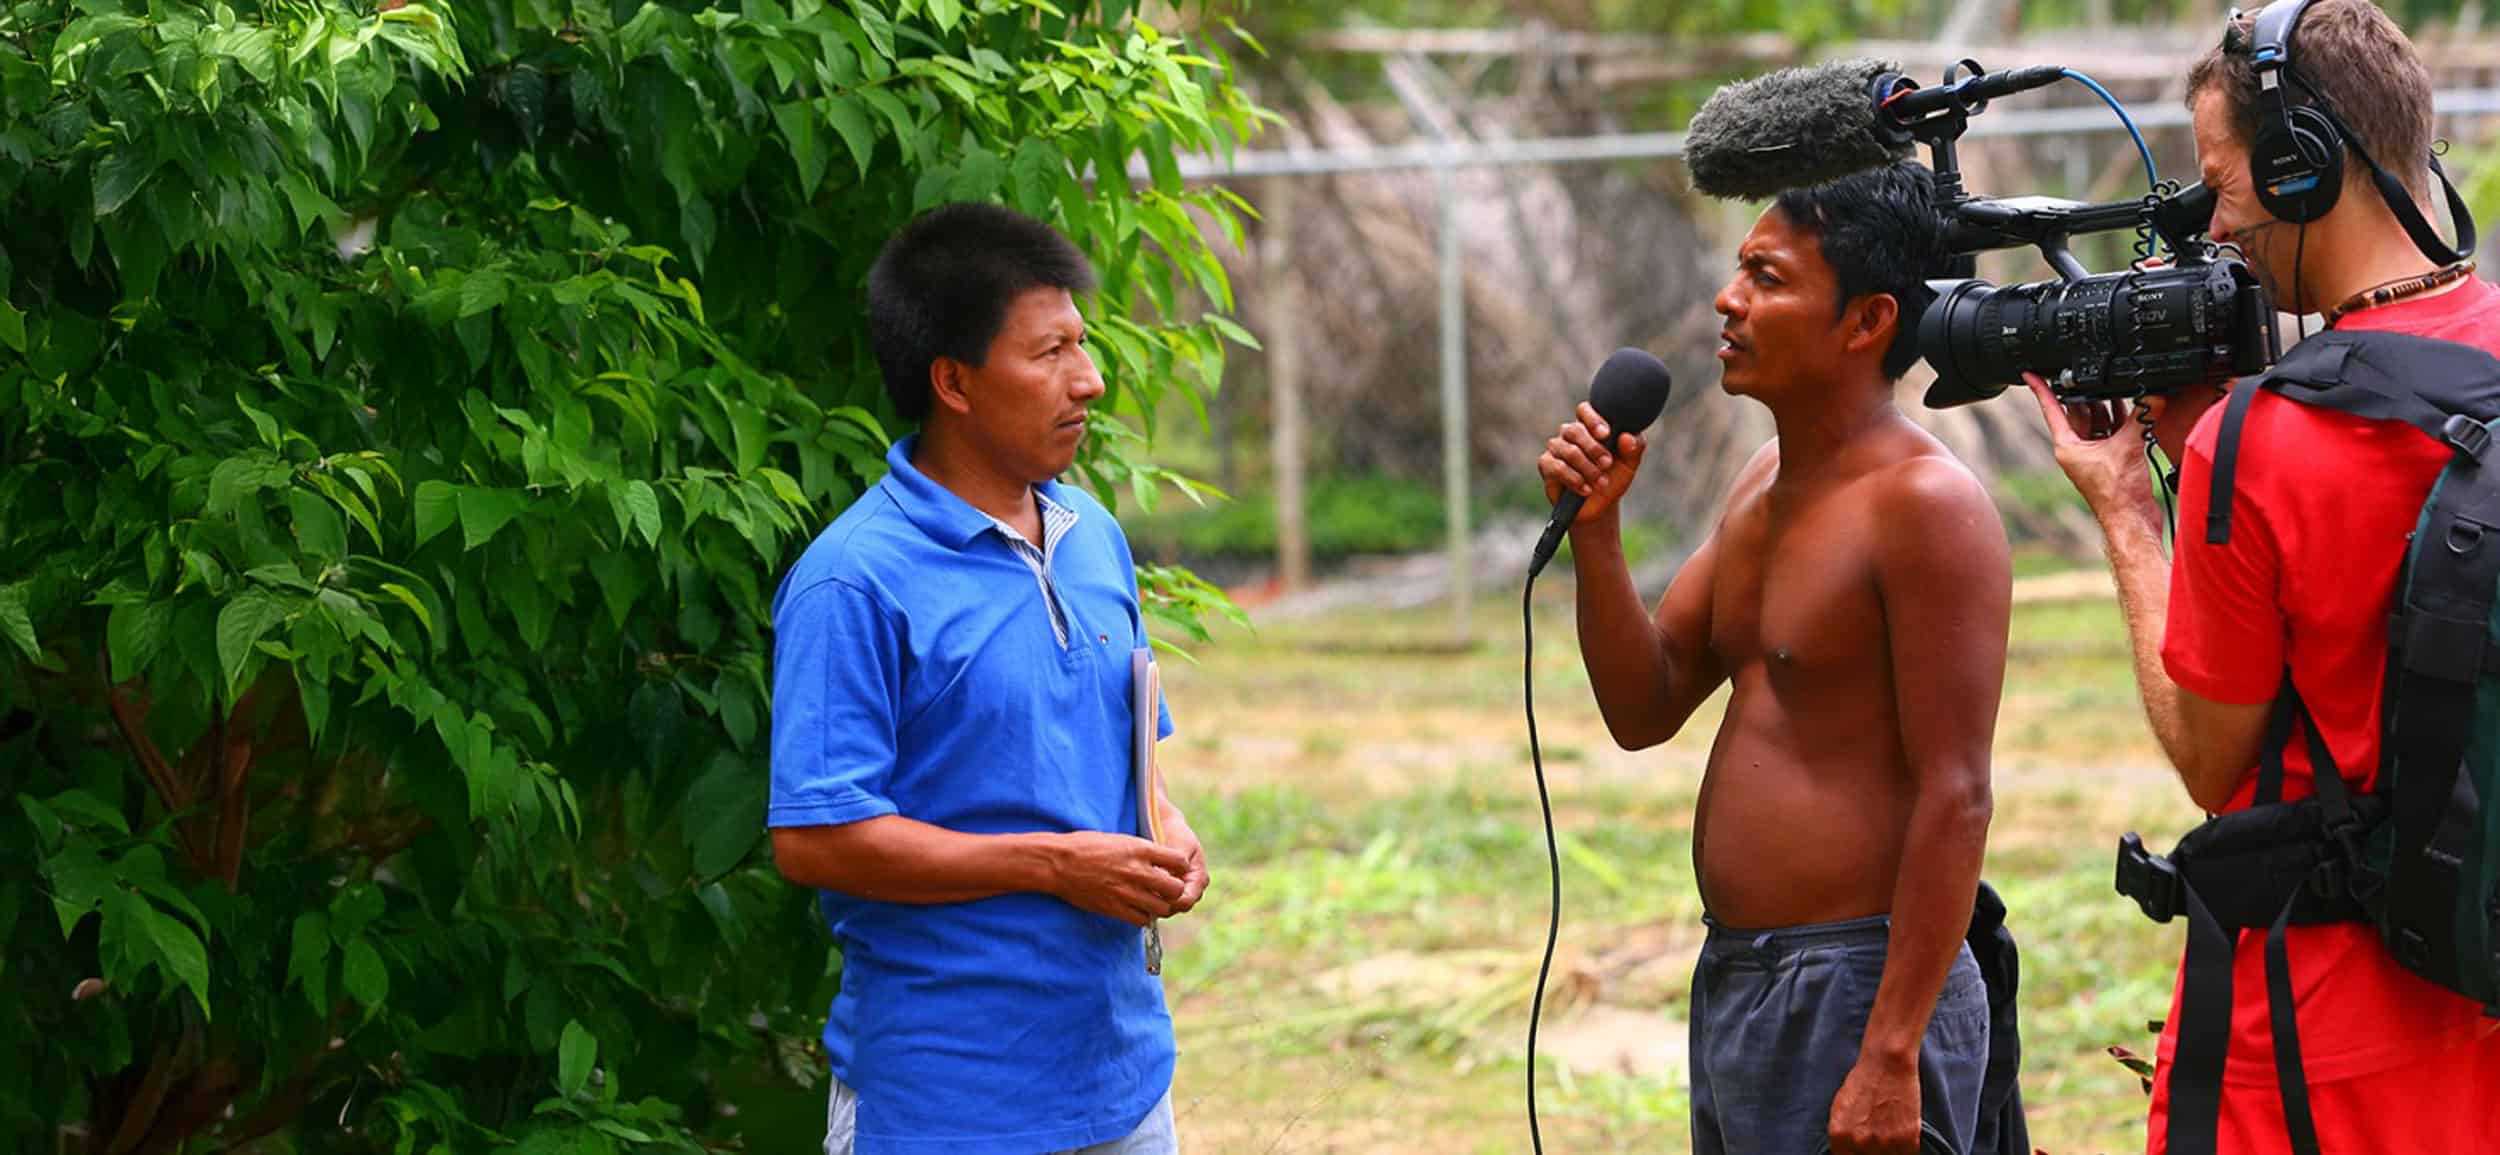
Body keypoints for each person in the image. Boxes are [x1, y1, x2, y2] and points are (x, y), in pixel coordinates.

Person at [2027, 1, 2500, 1151]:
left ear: (2302, 169)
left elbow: (2207, 754)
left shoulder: (2262, 438)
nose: (2214, 223)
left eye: (2224, 183)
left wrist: (2131, 507)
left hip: (2314, 1036)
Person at [1538, 161, 2010, 1155]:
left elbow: (1956, 793)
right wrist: (1596, 534)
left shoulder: (1924, 508)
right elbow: (1646, 703)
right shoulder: (1762, 482)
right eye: (1739, 270)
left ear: (1865, 322)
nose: (1728, 297)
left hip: (1857, 989)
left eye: (1768, 276)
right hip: (1739, 981)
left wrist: (1890, 1052)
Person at [765, 202, 1210, 1155]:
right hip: (948, 1104)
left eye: (1082, 346)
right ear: (954, 382)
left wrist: (1164, 828)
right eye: (1049, 353)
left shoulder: (1094, 537)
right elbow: (814, 839)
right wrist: (1050, 863)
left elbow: (1126, 743)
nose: (1088, 381)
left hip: (1125, 1084)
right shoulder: (854, 581)